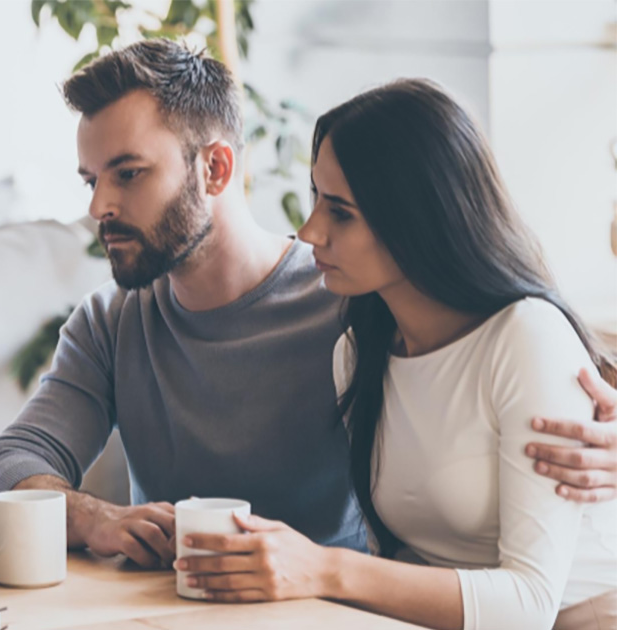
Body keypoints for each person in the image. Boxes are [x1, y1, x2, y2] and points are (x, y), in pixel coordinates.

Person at [0, 40, 617, 569]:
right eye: (91, 179)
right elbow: (3, 466)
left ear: (215, 170)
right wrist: (93, 517)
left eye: (128, 173)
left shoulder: (353, 294)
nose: (99, 207)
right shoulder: (110, 323)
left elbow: (507, 337)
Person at [179, 79, 616, 630]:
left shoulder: (525, 338)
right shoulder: (360, 353)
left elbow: (529, 605)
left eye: (341, 212)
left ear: (419, 219)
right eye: (316, 197)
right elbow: (406, 563)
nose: (310, 231)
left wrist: (324, 569)